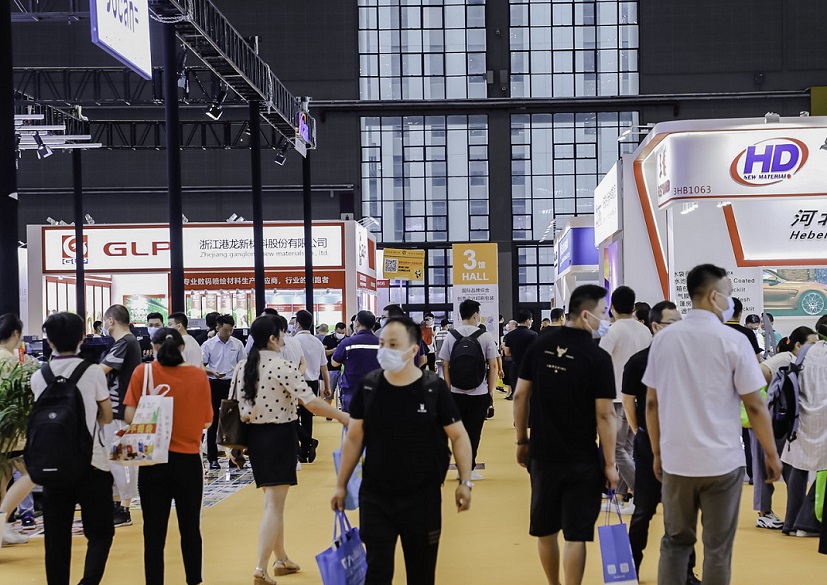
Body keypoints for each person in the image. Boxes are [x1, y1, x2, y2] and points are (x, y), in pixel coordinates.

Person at [643, 263, 782, 585]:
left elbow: (651, 402)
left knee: (675, 543)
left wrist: (657, 452)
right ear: (713, 296)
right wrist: (771, 453)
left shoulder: (664, 340)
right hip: (722, 462)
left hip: (677, 460)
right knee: (718, 548)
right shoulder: (733, 341)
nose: (730, 300)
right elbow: (754, 404)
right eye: (728, 294)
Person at [332, 316, 473, 585]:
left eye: (394, 344)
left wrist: (465, 482)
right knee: (377, 572)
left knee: (421, 574)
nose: (385, 349)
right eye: (383, 343)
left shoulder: (433, 388)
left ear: (413, 350)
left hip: (422, 498)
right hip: (375, 497)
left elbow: (458, 436)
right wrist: (341, 485)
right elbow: (354, 438)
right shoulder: (369, 386)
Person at [513, 284, 619, 585]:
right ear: (586, 315)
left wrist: (522, 441)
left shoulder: (539, 346)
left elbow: (520, 396)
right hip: (582, 457)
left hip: (543, 452)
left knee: (546, 529)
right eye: (603, 313)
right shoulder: (597, 357)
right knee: (576, 534)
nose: (605, 319)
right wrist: (610, 463)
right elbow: (604, 414)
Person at [235, 316, 349, 584]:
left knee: (273, 503)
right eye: (282, 334)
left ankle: (282, 559)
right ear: (273, 338)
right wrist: (344, 417)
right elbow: (311, 402)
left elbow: (233, 405)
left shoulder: (243, 366)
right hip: (279, 437)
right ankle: (261, 567)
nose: (285, 338)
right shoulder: (282, 365)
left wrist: (236, 447)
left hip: (254, 439)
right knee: (274, 506)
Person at [124, 328, 213, 585]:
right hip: (188, 462)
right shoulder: (198, 376)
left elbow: (129, 416)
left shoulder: (143, 373)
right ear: (182, 347)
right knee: (190, 529)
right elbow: (207, 421)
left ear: (153, 346)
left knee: (153, 533)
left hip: (152, 460)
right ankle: (194, 580)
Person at [32, 312, 114, 585]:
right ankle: (88, 581)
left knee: (56, 538)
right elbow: (106, 416)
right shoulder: (92, 371)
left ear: (49, 342)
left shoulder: (39, 376)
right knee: (100, 531)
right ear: (81, 338)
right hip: (92, 463)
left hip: (53, 464)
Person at [621, 302, 700, 584]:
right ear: (655, 326)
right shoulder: (639, 361)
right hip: (649, 446)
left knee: (683, 512)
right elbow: (629, 401)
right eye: (671, 323)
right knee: (643, 511)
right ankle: (631, 568)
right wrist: (640, 431)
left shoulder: (690, 359)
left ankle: (686, 572)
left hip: (683, 445)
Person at [751, 327, 816, 531]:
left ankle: (796, 514)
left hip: (786, 423)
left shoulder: (804, 362)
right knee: (766, 468)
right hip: (770, 420)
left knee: (790, 467)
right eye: (812, 344)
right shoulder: (785, 358)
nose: (815, 348)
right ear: (798, 345)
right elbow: (758, 373)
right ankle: (764, 513)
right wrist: (765, 400)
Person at [599, 285, 652, 514]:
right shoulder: (645, 331)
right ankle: (620, 498)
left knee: (616, 450)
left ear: (611, 306)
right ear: (633, 306)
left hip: (617, 398)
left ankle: (641, 494)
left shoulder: (612, 331)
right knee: (627, 449)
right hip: (640, 397)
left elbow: (600, 363)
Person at [439, 299, 499, 481]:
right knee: (474, 431)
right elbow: (493, 366)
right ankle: (469, 468)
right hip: (479, 392)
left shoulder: (451, 335)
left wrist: (449, 388)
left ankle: (460, 467)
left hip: (456, 392)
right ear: (475, 315)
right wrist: (490, 392)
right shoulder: (485, 336)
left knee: (458, 432)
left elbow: (445, 364)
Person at [780, 318, 827, 537]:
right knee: (823, 471)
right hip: (825, 417)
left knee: (798, 467)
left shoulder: (807, 351)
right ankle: (809, 522)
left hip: (804, 415)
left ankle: (791, 523)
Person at [99, 304, 142, 527]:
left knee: (123, 459)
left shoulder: (126, 342)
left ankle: (124, 507)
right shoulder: (126, 342)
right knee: (116, 458)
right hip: (118, 409)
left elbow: (101, 370)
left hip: (121, 410)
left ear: (111, 321)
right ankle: (118, 504)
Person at [0, 314, 37, 545]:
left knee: (3, 481)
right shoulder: (10, 361)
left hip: (5, 431)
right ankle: (2, 522)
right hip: (12, 432)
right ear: (16, 334)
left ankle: (3, 529)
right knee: (31, 473)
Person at [202, 314, 247, 470]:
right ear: (217, 328)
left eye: (230, 330)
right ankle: (212, 459)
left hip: (232, 385)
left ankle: (234, 457)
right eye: (225, 330)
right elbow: (201, 365)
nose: (228, 333)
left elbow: (243, 365)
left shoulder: (238, 344)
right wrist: (212, 372)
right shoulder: (208, 345)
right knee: (213, 421)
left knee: (234, 421)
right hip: (214, 384)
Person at [292, 310, 331, 463]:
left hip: (297, 382)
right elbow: (324, 368)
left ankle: (306, 443)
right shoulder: (317, 342)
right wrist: (327, 387)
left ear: (298, 324)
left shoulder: (294, 341)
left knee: (292, 417)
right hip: (313, 383)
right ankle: (305, 451)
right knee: (308, 417)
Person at [331, 310, 380, 412]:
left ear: (357, 322)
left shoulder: (348, 342)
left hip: (352, 390)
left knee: (350, 420)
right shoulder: (382, 343)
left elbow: (334, 363)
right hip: (376, 391)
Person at [503, 309, 537, 402]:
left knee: (517, 396)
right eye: (531, 320)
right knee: (530, 396)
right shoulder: (533, 335)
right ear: (527, 320)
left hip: (515, 367)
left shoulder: (510, 335)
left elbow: (507, 352)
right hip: (529, 368)